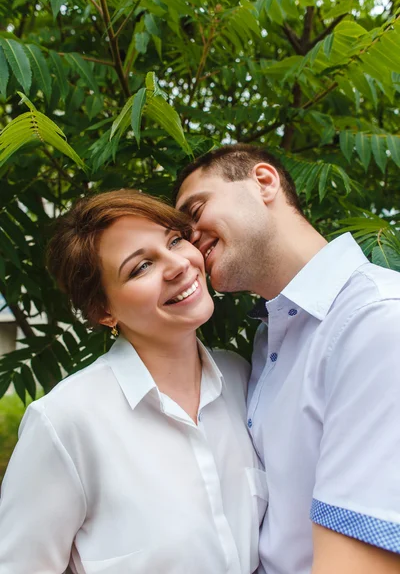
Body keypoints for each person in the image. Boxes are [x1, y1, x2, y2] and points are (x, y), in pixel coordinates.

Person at [0, 190, 267, 574]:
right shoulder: (66, 421)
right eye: (141, 267)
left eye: (175, 240)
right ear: (103, 311)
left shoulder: (241, 379)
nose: (178, 265)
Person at [174, 143, 400, 574]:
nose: (190, 239)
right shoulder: (270, 339)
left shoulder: (376, 320)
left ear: (263, 182)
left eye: (197, 210)